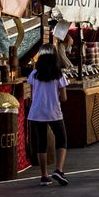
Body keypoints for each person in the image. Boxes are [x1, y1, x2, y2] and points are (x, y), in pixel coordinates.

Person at [27, 44, 69, 186]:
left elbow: (32, 95)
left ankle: (44, 175)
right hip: (54, 112)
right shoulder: (59, 75)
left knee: (41, 143)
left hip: (36, 112)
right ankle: (59, 169)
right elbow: (64, 98)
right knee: (61, 139)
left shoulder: (34, 74)